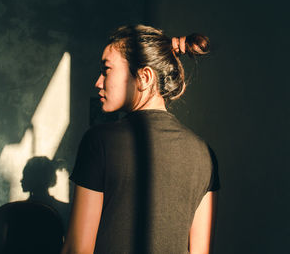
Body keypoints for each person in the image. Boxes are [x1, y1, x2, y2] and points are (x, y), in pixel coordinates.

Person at [61, 24, 220, 254]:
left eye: (106, 70)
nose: (98, 82)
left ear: (144, 77)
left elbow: (77, 249)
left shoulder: (99, 142)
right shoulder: (205, 154)